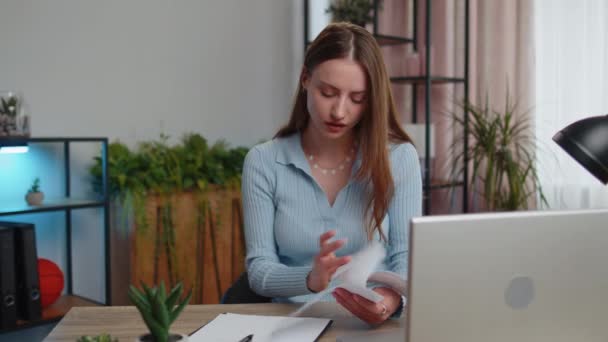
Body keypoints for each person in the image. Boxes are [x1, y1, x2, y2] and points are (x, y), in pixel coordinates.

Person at [241, 22, 422, 325]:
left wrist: (387, 301)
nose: (339, 111)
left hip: (374, 326)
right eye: (328, 92)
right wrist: (312, 278)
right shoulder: (263, 162)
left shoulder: (399, 158)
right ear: (305, 79)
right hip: (293, 325)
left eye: (357, 99)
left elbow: (407, 256)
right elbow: (259, 270)